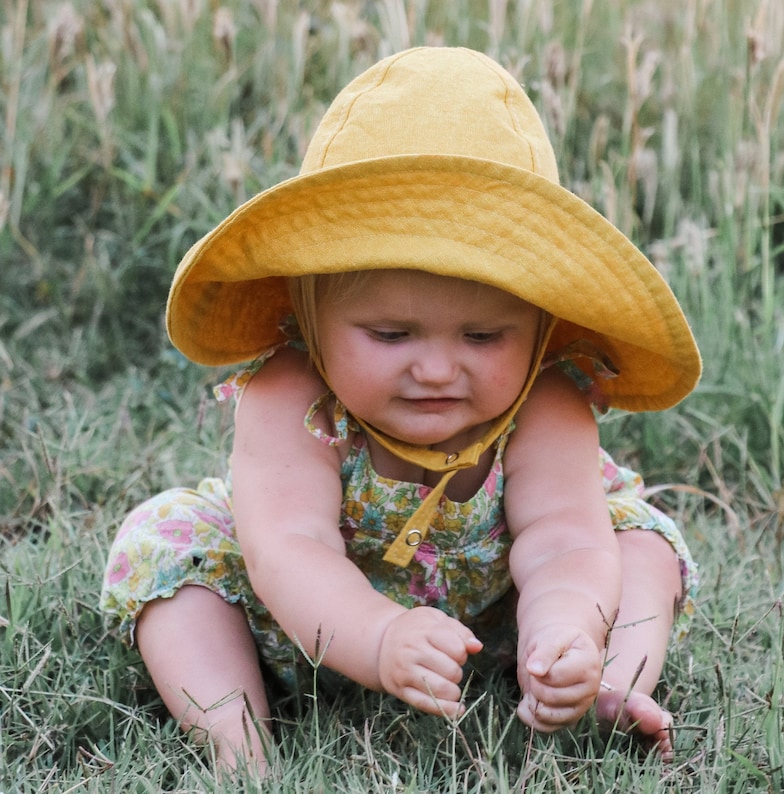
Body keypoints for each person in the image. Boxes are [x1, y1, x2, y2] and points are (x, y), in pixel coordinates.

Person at [101, 46, 701, 771]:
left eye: (484, 336)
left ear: (542, 325)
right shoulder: (292, 394)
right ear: (311, 314)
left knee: (638, 543)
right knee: (169, 552)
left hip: (501, 617)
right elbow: (291, 547)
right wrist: (380, 638)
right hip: (307, 615)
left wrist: (566, 625)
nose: (437, 368)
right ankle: (240, 743)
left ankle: (606, 679)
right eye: (390, 334)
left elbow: (566, 542)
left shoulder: (546, 400)